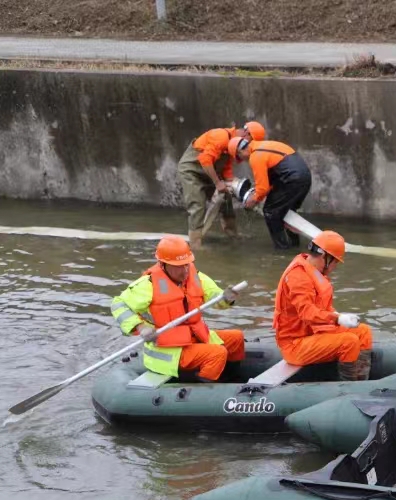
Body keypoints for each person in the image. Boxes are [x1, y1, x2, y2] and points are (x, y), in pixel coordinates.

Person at [110, 235, 244, 381]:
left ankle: (232, 382)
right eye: (179, 266)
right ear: (163, 264)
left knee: (236, 338)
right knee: (217, 353)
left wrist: (227, 299)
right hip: (168, 348)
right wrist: (141, 328)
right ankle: (203, 388)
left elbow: (216, 299)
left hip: (192, 337)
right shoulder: (148, 284)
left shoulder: (195, 276)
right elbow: (118, 305)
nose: (185, 270)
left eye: (187, 264)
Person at [273, 230, 373, 381]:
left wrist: (338, 315)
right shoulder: (298, 277)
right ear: (325, 257)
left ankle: (361, 380)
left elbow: (322, 307)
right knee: (349, 342)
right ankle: (349, 387)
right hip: (294, 344)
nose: (335, 266)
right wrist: (337, 319)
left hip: (313, 333)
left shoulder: (313, 271)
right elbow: (307, 313)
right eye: (335, 262)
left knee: (363, 332)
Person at [177, 121, 266, 249]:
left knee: (226, 197)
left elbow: (226, 170)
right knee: (197, 205)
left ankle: (233, 234)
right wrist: (218, 183)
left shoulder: (233, 146)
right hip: (191, 171)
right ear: (246, 134)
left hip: (209, 172)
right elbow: (205, 160)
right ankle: (195, 245)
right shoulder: (221, 136)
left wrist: (239, 189)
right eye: (251, 142)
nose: (249, 147)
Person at [228, 136, 312, 250]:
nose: (243, 161)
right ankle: (294, 244)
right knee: (287, 212)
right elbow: (271, 180)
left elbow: (262, 189)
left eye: (239, 158)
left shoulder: (255, 157)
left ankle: (282, 249)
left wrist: (253, 200)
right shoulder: (263, 145)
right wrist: (258, 194)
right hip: (305, 177)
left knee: (270, 211)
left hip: (291, 180)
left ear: (240, 152)